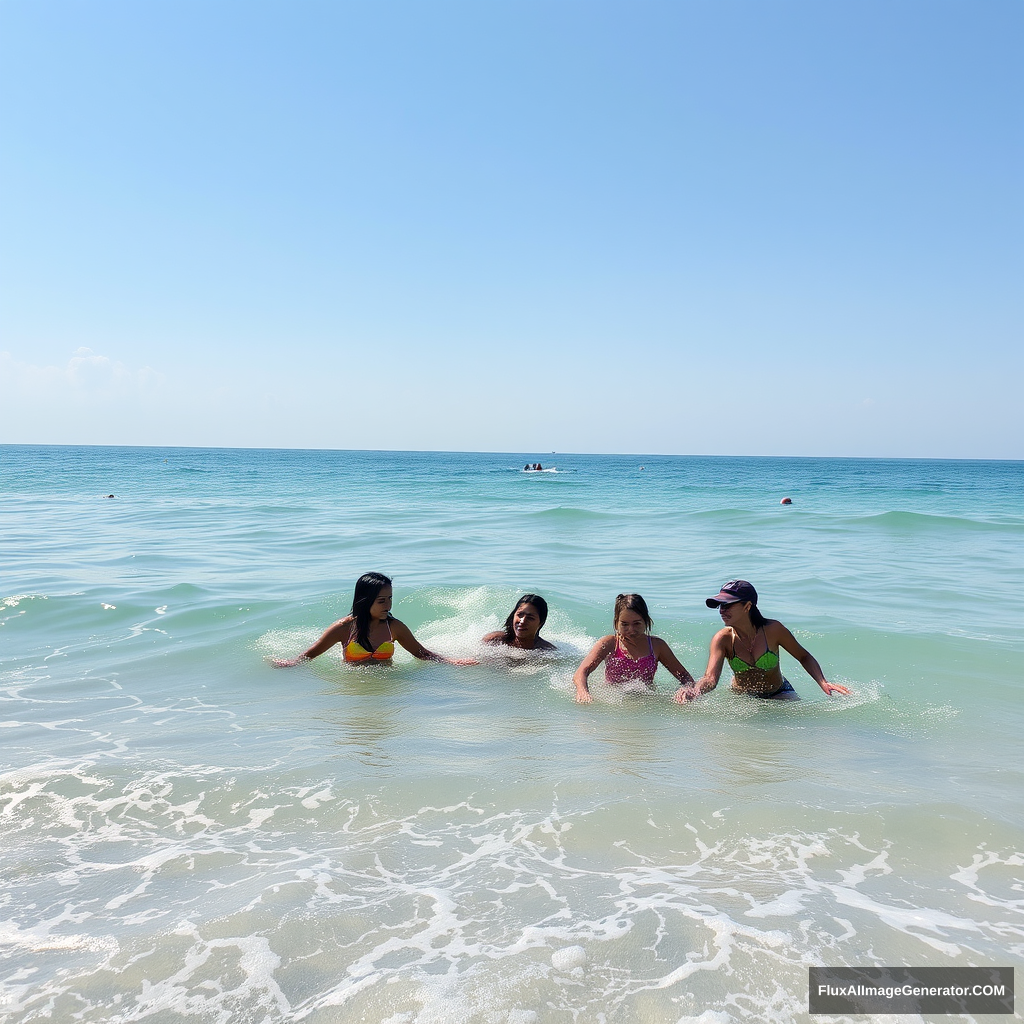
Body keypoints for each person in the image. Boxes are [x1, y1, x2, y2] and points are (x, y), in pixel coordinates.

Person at [675, 580, 850, 702]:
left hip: (779, 692)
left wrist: (822, 682)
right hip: (743, 698)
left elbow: (803, 656)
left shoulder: (774, 630)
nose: (722, 610)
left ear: (747, 606)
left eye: (728, 605)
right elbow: (710, 678)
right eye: (720, 605)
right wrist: (695, 691)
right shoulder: (723, 639)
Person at [271, 572, 477, 667]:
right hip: (353, 689)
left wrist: (451, 661)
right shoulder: (344, 628)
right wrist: (290, 663)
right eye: (381, 601)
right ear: (365, 600)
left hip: (387, 687)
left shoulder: (394, 627)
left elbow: (421, 653)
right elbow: (311, 653)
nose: (387, 605)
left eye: (390, 599)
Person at [573, 593, 695, 703]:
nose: (631, 629)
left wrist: (686, 690)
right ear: (616, 623)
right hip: (615, 703)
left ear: (646, 621)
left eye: (637, 623)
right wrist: (583, 691)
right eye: (624, 624)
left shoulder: (657, 646)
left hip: (646, 702)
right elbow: (581, 672)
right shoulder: (610, 643)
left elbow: (684, 676)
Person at [482, 594, 556, 651]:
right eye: (519, 615)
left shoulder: (546, 651)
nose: (522, 621)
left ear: (541, 623)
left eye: (530, 618)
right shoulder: (494, 640)